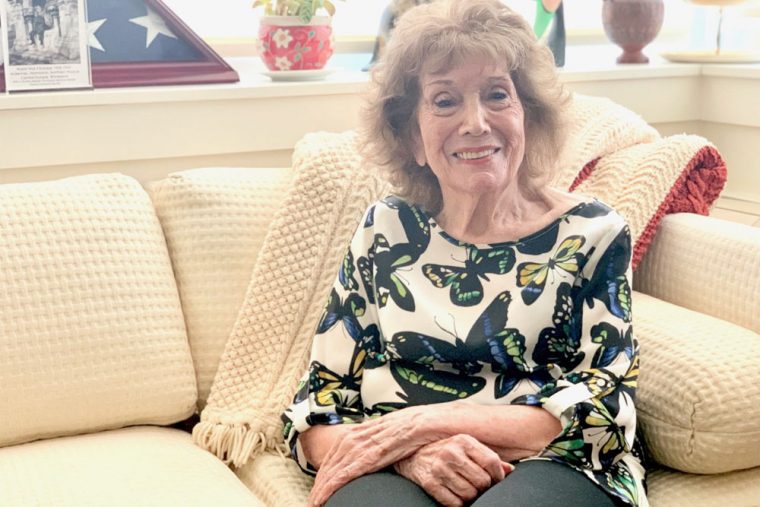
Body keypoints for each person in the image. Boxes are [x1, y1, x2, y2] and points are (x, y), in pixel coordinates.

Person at [282, 1, 647, 506]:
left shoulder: (591, 233)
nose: (475, 122)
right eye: (445, 101)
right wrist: (408, 451)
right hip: (397, 466)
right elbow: (318, 407)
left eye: (497, 94)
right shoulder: (385, 230)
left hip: (556, 460)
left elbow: (605, 405)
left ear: (529, 117)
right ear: (413, 137)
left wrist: (421, 423)